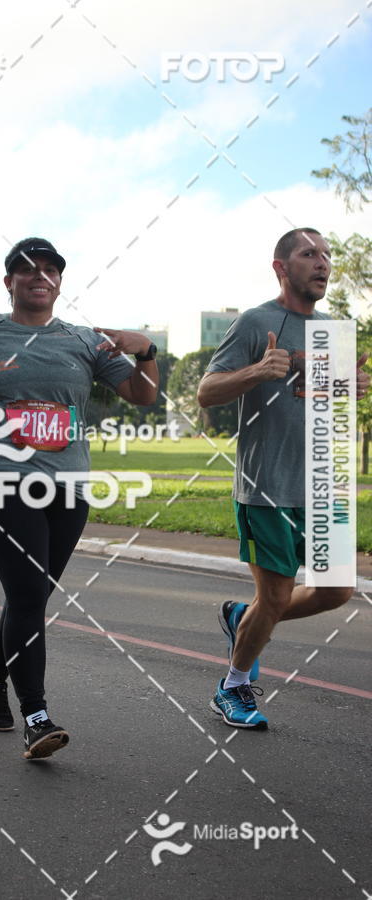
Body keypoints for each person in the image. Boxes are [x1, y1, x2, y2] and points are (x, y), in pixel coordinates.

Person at [0, 237, 159, 759]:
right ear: (9, 281)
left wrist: (147, 350)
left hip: (67, 484)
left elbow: (143, 395)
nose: (40, 276)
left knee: (33, 595)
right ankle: (36, 716)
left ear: (60, 282)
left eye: (50, 269)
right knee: (26, 596)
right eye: (28, 269)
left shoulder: (85, 341)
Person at [197, 228, 370, 729]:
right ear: (281, 267)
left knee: (336, 591)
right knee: (274, 596)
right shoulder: (257, 322)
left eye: (326, 255)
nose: (322, 262)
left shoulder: (336, 330)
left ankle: (243, 617)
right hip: (268, 487)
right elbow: (207, 391)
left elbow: (324, 404)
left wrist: (352, 387)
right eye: (308, 253)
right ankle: (232, 687)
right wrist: (257, 371)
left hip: (325, 487)